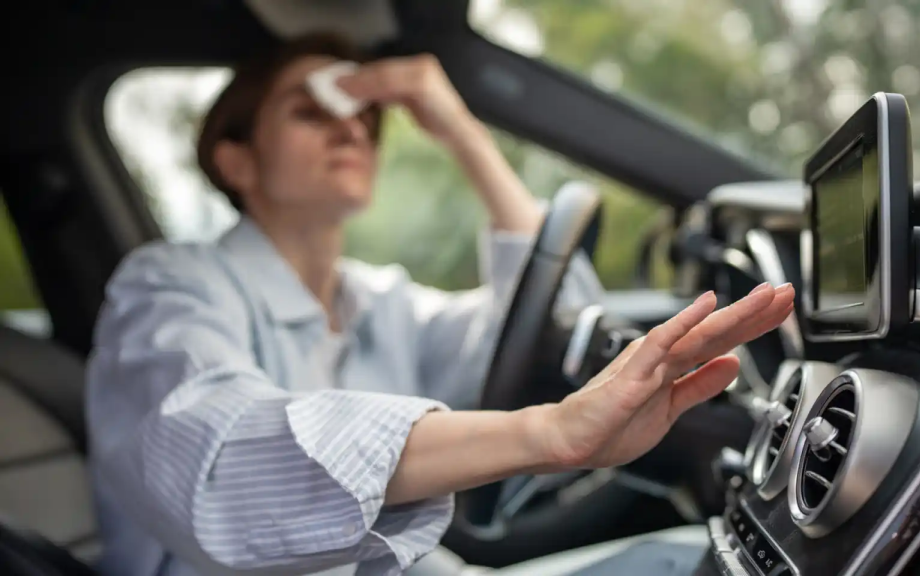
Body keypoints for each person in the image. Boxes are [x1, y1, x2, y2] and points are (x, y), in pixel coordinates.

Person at [84, 32, 795, 576]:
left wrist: (459, 128)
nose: (351, 129)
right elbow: (219, 466)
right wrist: (543, 434)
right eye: (312, 111)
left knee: (686, 559)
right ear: (234, 159)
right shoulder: (167, 287)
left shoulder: (381, 300)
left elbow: (554, 328)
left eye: (368, 119)